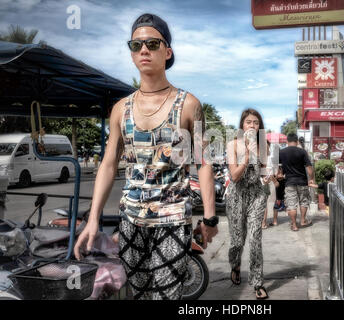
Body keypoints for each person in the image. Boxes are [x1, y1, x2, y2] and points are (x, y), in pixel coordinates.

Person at [74, 13, 218, 300]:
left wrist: (210, 219)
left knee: (167, 295)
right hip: (130, 221)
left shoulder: (188, 105)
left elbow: (202, 161)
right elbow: (109, 164)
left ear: (167, 52)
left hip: (173, 219)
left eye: (152, 43)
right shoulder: (120, 109)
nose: (143, 50)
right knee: (138, 294)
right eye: (136, 44)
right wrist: (93, 219)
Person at [226, 108, 270, 300]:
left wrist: (269, 175)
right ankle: (235, 265)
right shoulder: (232, 145)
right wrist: (247, 156)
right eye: (248, 122)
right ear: (242, 126)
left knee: (254, 239)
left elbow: (264, 171)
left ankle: (257, 281)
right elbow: (235, 177)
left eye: (256, 123)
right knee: (237, 241)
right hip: (236, 195)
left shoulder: (264, 145)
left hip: (257, 195)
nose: (252, 125)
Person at [279, 133, 316, 231]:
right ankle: (303, 221)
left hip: (289, 182)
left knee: (291, 204)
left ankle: (294, 225)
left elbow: (278, 168)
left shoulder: (281, 152)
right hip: (302, 181)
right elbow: (309, 168)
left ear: (287, 141)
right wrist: (311, 178)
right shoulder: (302, 152)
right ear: (297, 141)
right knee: (303, 202)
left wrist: (280, 174)